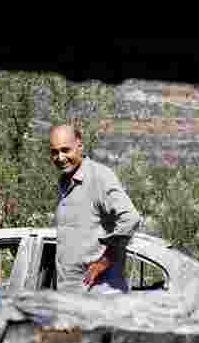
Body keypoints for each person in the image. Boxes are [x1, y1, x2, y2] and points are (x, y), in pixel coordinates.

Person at [49, 124, 141, 293]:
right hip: (71, 295)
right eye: (54, 152)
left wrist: (104, 261)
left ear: (80, 146)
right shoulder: (64, 182)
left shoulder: (99, 177)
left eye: (65, 150)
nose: (60, 157)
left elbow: (130, 218)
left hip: (98, 296)